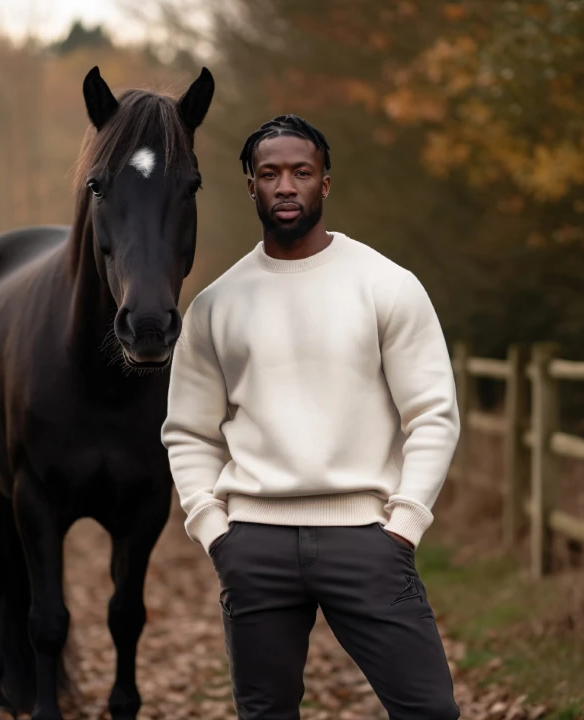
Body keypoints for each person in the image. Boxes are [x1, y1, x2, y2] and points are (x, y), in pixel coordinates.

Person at [161, 114, 461, 720]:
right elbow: (188, 432)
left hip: (368, 541)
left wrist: (405, 525)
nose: (286, 186)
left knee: (431, 712)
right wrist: (214, 531)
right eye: (270, 174)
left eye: (302, 172)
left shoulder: (387, 286)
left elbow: (432, 414)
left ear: (326, 183)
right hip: (254, 546)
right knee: (265, 713)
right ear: (250, 185)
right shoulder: (216, 305)